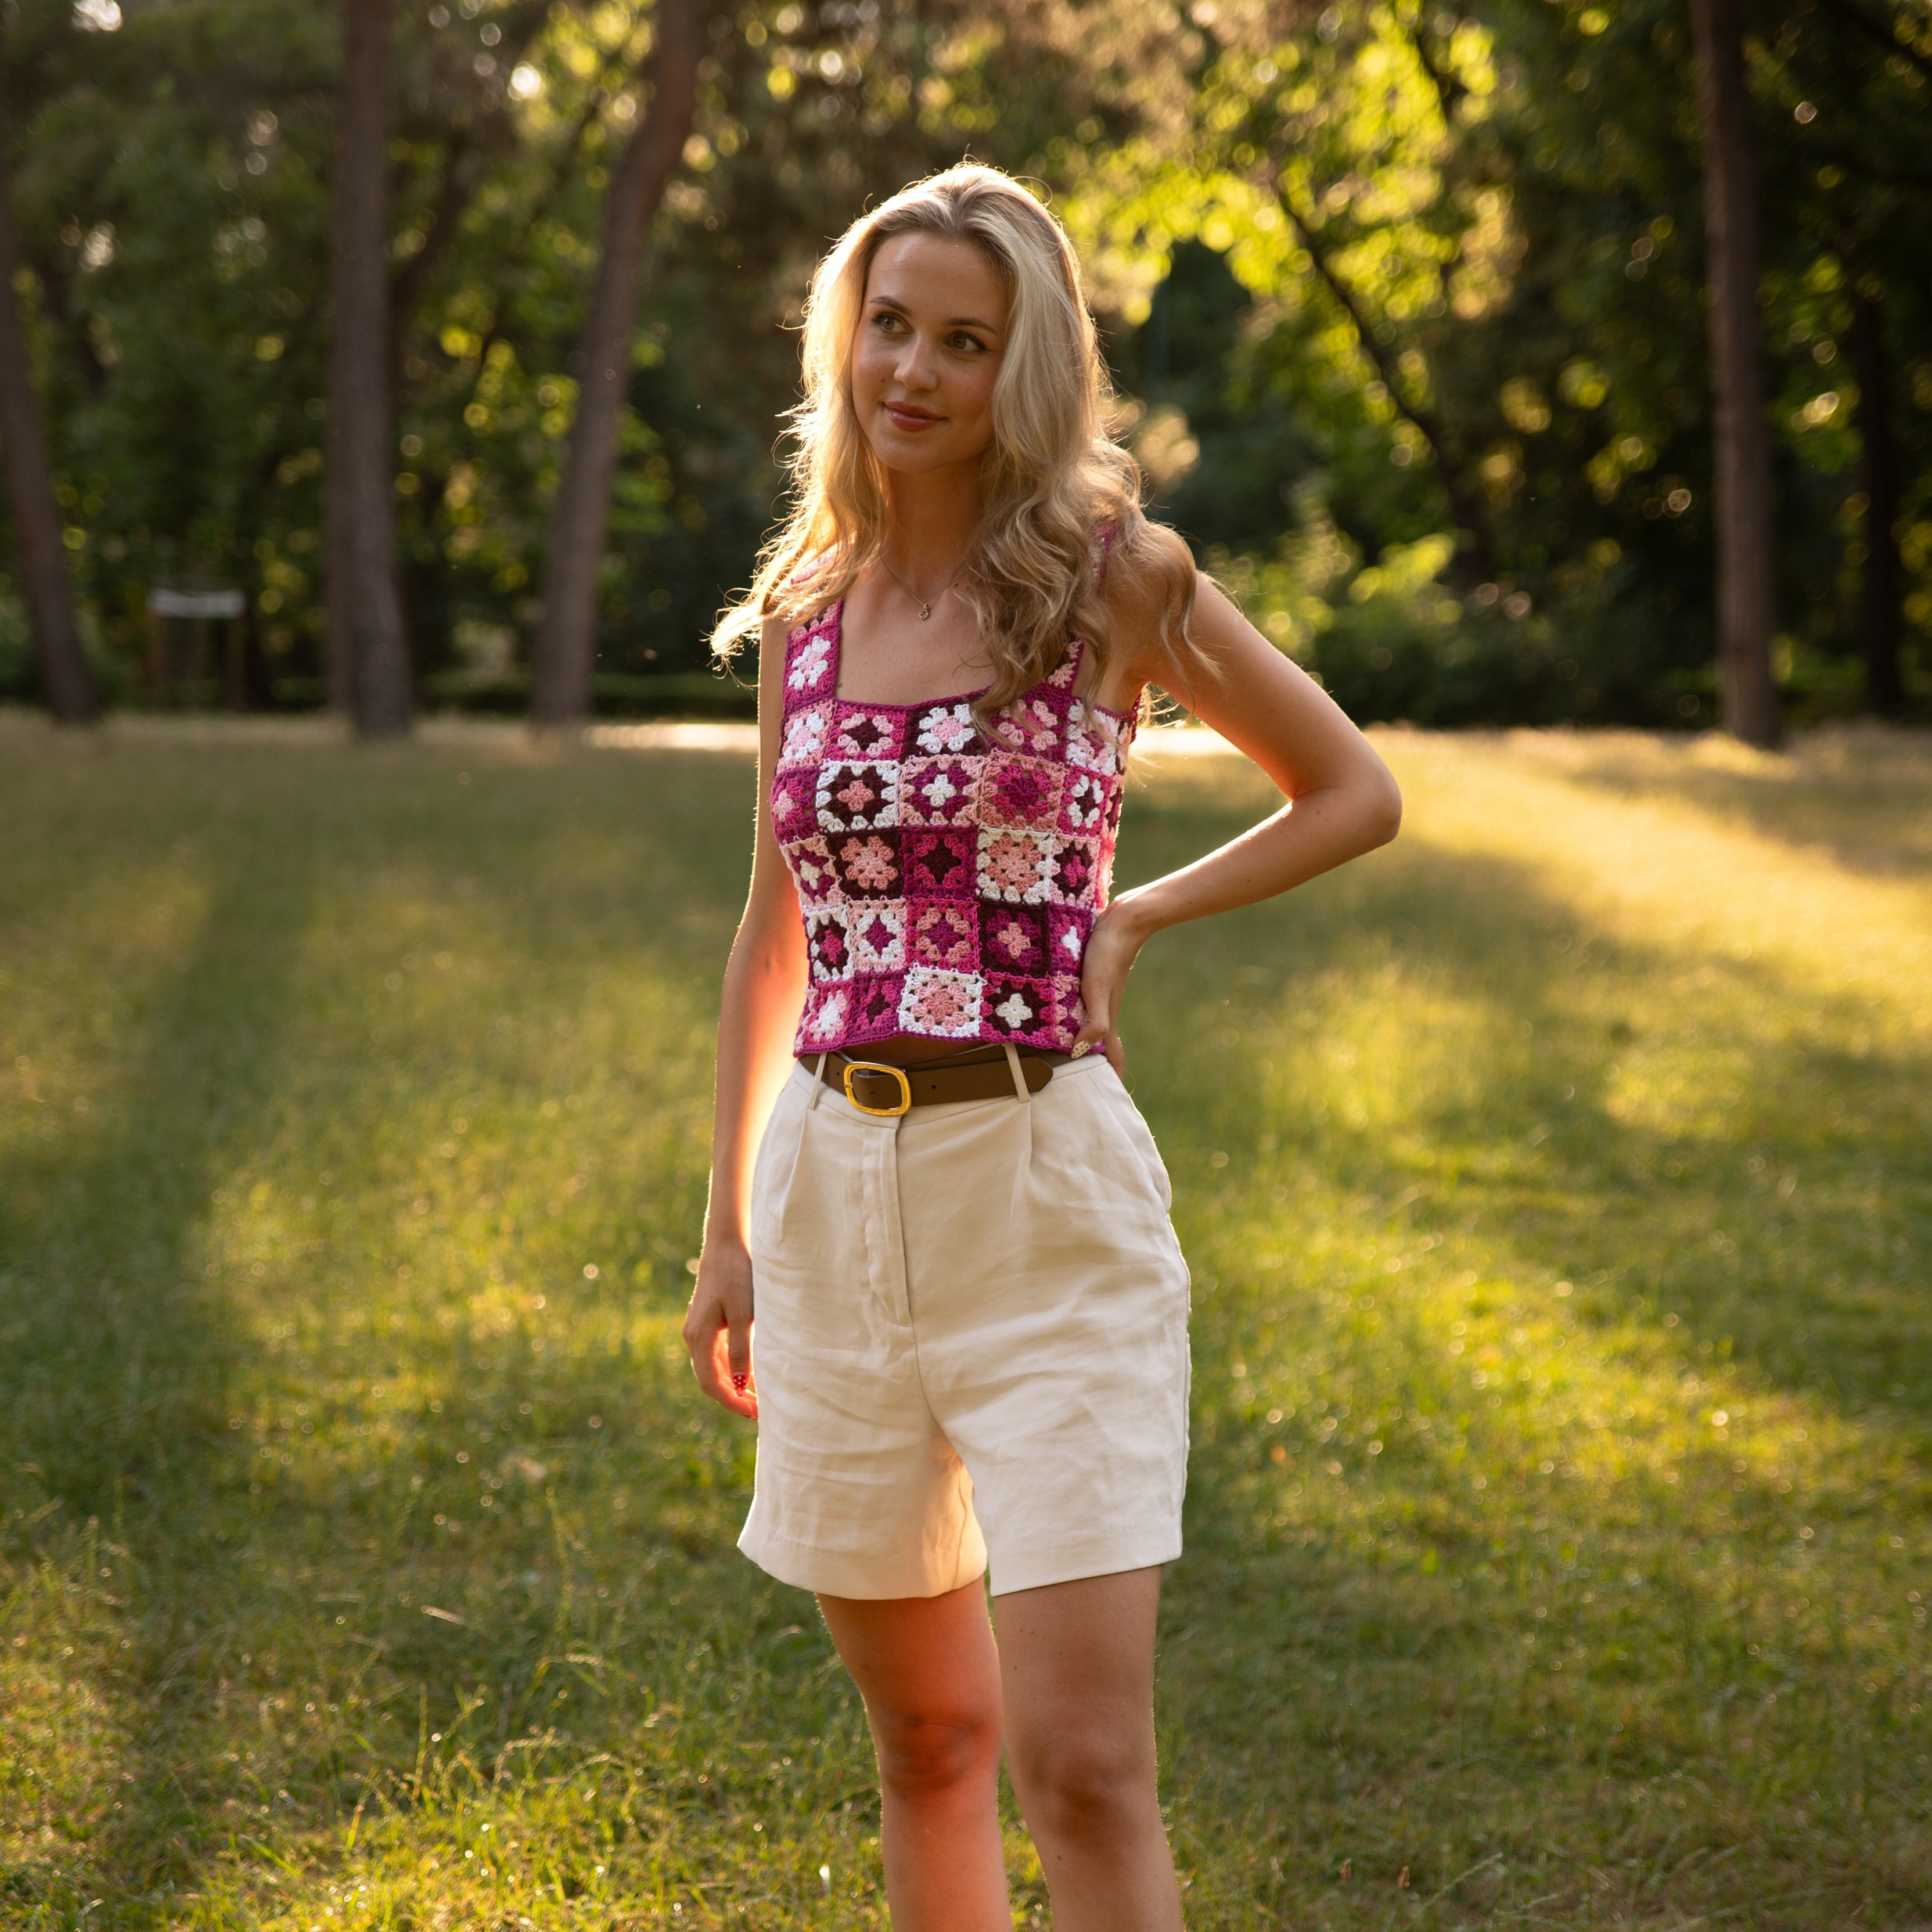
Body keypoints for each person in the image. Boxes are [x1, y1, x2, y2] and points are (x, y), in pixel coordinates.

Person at [684, 164, 1401, 1931]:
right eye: (891, 328)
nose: (912, 370)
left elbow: (1355, 790)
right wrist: (726, 1233)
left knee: (1081, 1763)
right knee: (927, 1741)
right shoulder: (805, 618)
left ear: (1030, 369)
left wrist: (1138, 914)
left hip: (1046, 1202)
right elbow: (772, 929)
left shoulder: (1113, 585)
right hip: (834, 1202)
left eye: (965, 341)